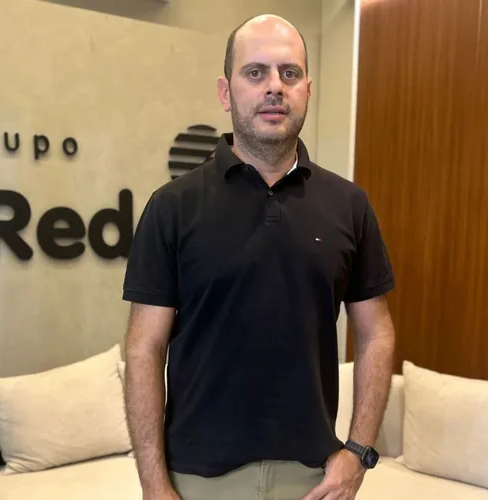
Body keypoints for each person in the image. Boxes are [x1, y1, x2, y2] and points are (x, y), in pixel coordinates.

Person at [122, 13, 396, 500]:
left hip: (312, 478)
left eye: (289, 73)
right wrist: (153, 482)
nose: (274, 87)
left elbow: (376, 333)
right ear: (226, 92)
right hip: (197, 479)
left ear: (307, 90)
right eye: (255, 72)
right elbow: (145, 348)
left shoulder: (349, 206)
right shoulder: (172, 207)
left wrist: (358, 451)